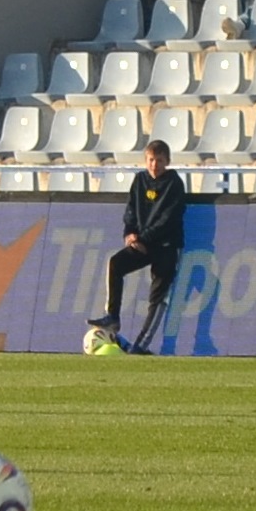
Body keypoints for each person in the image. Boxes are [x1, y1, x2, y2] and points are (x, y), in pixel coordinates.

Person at [90, 139, 187, 354]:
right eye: (151, 160)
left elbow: (168, 220)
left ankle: (141, 345)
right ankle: (112, 316)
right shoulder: (140, 180)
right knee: (116, 263)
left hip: (166, 246)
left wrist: (142, 239)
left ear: (167, 161)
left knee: (158, 297)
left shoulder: (174, 184)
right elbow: (131, 211)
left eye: (159, 160)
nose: (155, 165)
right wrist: (130, 234)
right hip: (143, 243)